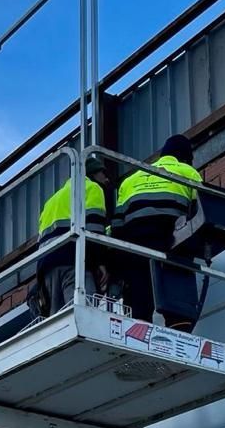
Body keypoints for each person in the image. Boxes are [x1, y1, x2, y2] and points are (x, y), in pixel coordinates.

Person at [112, 134, 204, 329]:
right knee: (179, 267)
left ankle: (138, 328)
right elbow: (199, 216)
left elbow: (117, 225)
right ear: (185, 157)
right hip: (168, 239)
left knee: (138, 295)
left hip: (134, 242)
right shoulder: (188, 171)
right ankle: (179, 323)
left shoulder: (131, 178)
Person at [33, 155, 111, 315]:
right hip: (72, 260)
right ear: (92, 174)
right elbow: (94, 229)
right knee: (83, 315)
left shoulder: (51, 201)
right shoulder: (92, 188)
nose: (107, 179)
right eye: (103, 173)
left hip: (47, 268)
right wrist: (100, 263)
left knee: (58, 323)